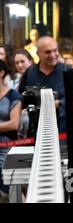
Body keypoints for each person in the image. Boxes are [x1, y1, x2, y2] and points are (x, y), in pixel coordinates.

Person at [18, 36, 67, 133]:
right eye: (47, 52)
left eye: (55, 50)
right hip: (35, 128)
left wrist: (60, 103)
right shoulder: (30, 73)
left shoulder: (67, 71)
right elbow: (20, 97)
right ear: (38, 54)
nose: (53, 55)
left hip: (62, 128)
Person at [0, 59, 22, 198]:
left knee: (9, 187)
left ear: (1, 73)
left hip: (6, 147)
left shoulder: (13, 95)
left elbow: (14, 123)